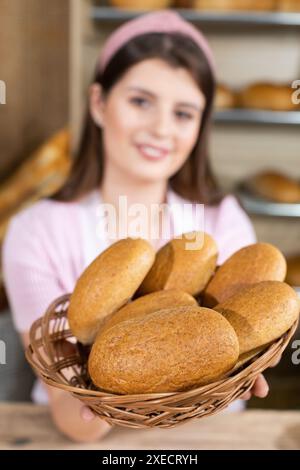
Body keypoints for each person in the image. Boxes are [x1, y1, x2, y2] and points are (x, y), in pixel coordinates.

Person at [2, 10, 270, 443]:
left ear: (201, 125)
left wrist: (246, 354)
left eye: (183, 113)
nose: (161, 128)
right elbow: (75, 422)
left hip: (213, 436)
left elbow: (232, 371)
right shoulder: (34, 231)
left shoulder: (222, 220)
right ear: (98, 103)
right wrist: (128, 371)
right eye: (140, 101)